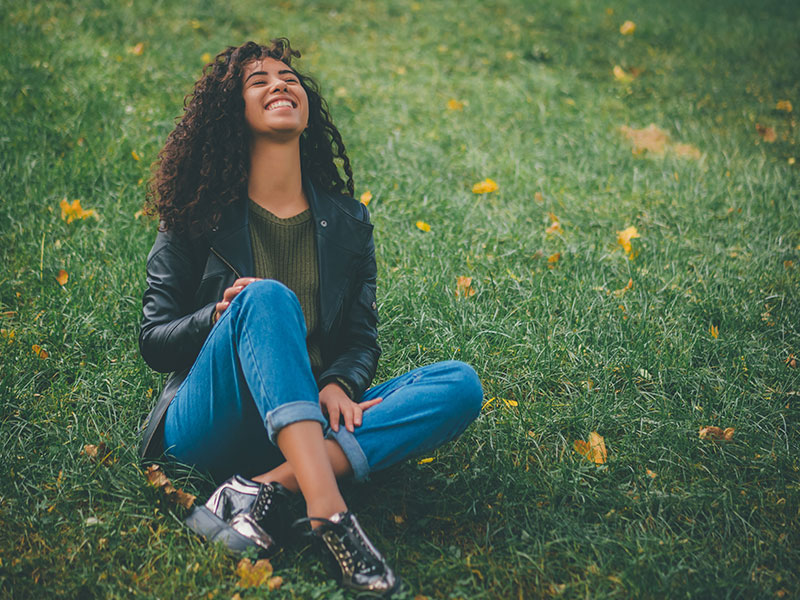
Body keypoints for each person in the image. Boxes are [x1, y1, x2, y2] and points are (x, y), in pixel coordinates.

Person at [138, 38, 483, 597]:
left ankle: (263, 488)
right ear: (232, 114)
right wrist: (218, 316)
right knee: (267, 298)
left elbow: (361, 339)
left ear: (306, 105)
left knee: (458, 384)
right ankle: (328, 512)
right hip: (211, 422)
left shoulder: (349, 223)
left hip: (306, 419)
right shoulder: (196, 213)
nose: (280, 83)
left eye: (288, 78)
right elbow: (154, 340)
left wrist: (339, 383)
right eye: (259, 81)